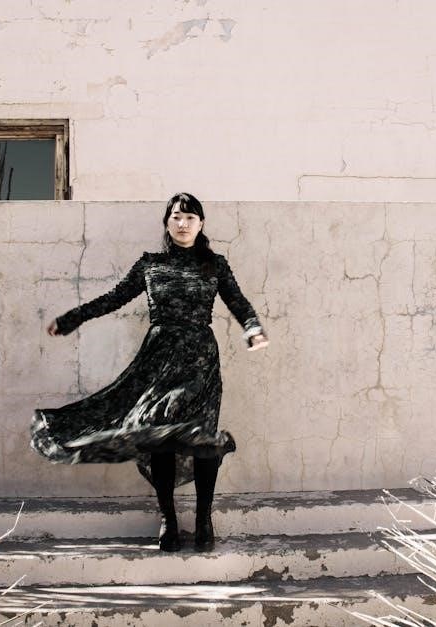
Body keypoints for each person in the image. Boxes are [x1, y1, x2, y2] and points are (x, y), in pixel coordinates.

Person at [31, 192, 268, 552]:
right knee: (160, 438)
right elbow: (113, 298)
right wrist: (71, 319)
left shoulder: (214, 265)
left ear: (201, 224)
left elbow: (238, 301)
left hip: (200, 361)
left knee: (203, 440)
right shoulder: (150, 264)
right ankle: (168, 519)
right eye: (176, 217)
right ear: (167, 223)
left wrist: (253, 328)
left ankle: (203, 521)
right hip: (158, 361)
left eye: (190, 218)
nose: (183, 224)